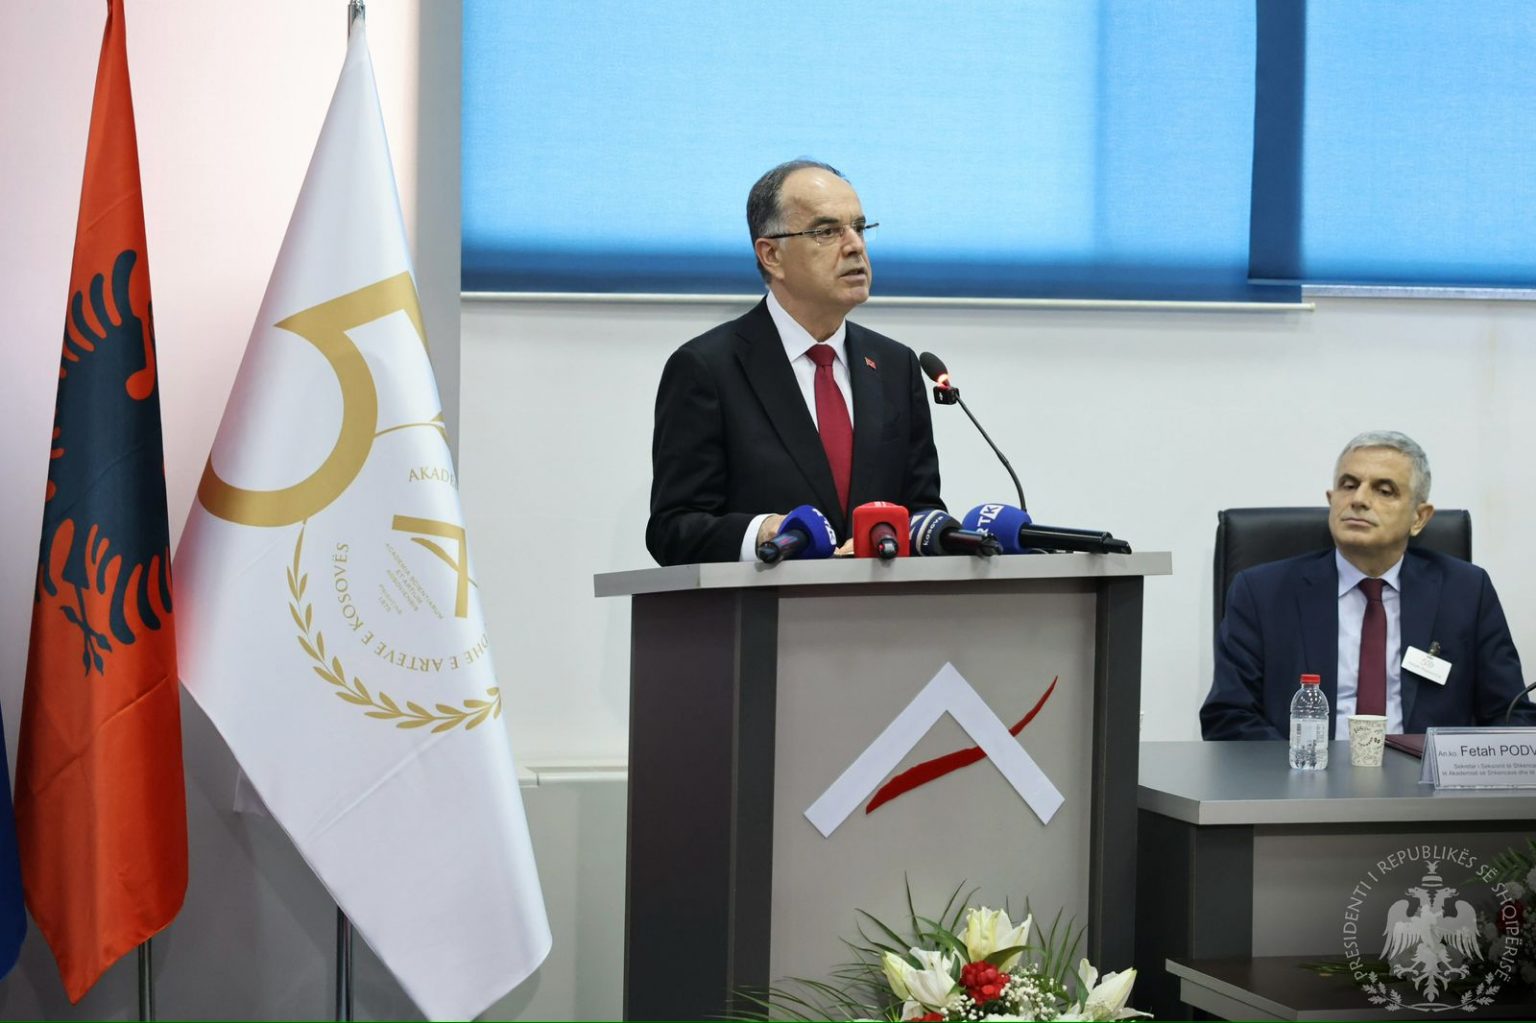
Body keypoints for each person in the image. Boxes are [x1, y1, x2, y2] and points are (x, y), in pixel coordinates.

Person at [645, 160, 943, 566]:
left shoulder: (896, 366)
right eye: (827, 231)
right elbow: (673, 530)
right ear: (771, 255)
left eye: (859, 227)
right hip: (763, 601)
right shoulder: (707, 369)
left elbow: (921, 510)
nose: (855, 246)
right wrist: (767, 531)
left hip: (879, 602)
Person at [1201, 430, 1536, 739]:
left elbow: (1511, 714)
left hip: (1426, 780)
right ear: (1331, 499)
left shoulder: (1465, 591)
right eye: (1348, 485)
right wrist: (1299, 770)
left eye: (1384, 490)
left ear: (1419, 517)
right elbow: (1228, 715)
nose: (1359, 499)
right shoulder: (1262, 593)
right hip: (1302, 778)